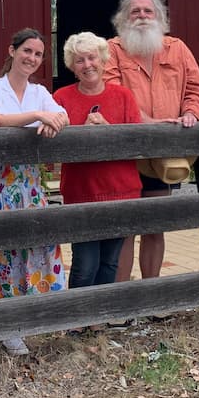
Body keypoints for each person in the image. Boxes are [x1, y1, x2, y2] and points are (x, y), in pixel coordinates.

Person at [0, 28, 69, 356]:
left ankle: (20, 321)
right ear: (12, 51)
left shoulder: (39, 92)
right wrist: (37, 116)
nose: (32, 58)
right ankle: (0, 326)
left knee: (30, 249)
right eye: (27, 51)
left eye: (38, 54)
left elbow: (62, 113)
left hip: (28, 185)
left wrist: (55, 121)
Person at [103, 0, 199, 285]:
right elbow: (112, 94)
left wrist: (191, 114)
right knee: (125, 228)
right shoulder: (111, 50)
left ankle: (152, 296)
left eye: (148, 11)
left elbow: (197, 90)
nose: (141, 16)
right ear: (123, 19)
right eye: (134, 11)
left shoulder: (178, 49)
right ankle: (122, 298)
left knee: (154, 226)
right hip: (125, 155)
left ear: (160, 18)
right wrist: (148, 123)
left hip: (163, 156)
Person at [53, 32, 142, 291]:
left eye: (92, 58)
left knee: (110, 262)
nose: (87, 65)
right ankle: (78, 321)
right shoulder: (61, 97)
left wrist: (108, 130)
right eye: (79, 60)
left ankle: (99, 321)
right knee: (85, 262)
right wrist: (81, 132)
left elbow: (138, 142)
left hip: (121, 190)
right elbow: (55, 149)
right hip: (81, 192)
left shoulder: (123, 95)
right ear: (72, 66)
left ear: (103, 61)